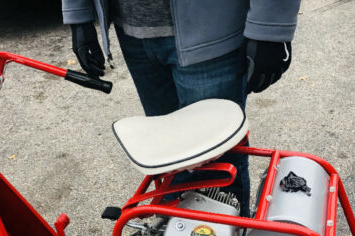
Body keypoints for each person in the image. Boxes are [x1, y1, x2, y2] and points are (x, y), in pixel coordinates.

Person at [62, 0, 301, 216]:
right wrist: (78, 13)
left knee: (217, 164)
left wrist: (270, 25)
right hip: (132, 33)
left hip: (213, 30)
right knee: (169, 158)